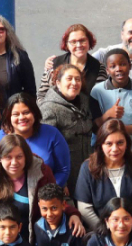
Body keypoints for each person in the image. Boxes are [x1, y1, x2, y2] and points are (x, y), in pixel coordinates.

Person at [76, 120, 132, 231]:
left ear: (127, 143)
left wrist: (129, 227)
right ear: (101, 145)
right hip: (100, 233)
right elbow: (85, 208)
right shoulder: (88, 168)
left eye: (120, 143)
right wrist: (106, 230)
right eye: (109, 144)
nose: (115, 149)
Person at [0, 93, 72, 188]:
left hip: (46, 193)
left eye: (26, 112)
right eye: (16, 114)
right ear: (9, 117)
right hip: (7, 193)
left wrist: (49, 191)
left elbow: (63, 170)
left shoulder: (52, 134)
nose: (22, 117)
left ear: (34, 113)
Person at [38, 63, 93, 191]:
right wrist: (61, 181)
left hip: (87, 167)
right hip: (66, 174)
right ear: (58, 83)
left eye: (78, 79)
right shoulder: (49, 108)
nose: (74, 83)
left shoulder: (84, 101)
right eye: (69, 79)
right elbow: (46, 150)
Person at [89, 48, 132, 154]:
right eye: (113, 66)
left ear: (130, 66)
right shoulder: (96, 91)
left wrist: (121, 129)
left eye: (123, 64)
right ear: (107, 70)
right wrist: (107, 115)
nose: (118, 69)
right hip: (103, 153)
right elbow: (93, 127)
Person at [38, 23, 107, 100]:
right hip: (54, 107)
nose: (78, 45)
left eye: (82, 40)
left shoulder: (98, 67)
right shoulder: (54, 64)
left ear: (89, 41)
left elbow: (101, 97)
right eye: (73, 42)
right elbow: (42, 95)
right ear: (67, 45)